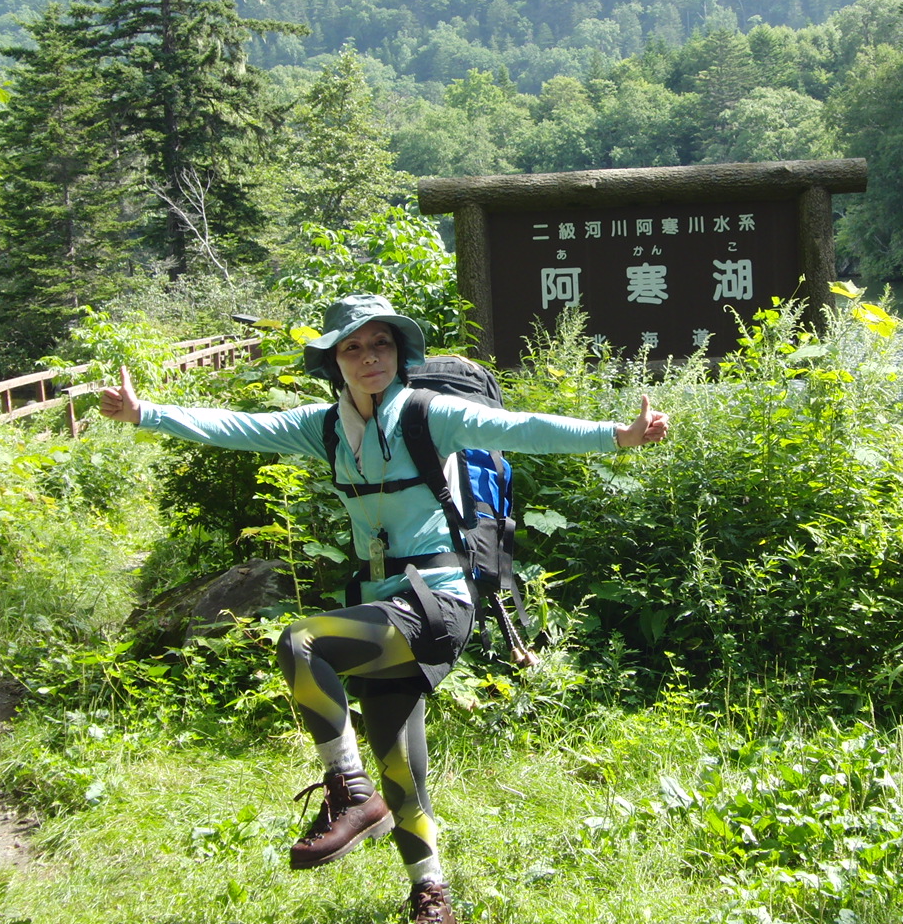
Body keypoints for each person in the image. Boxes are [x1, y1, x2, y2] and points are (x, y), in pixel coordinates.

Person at [99, 293, 667, 924]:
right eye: (353, 347)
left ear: (399, 352)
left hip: (437, 603)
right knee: (400, 767)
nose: (370, 357)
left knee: (301, 642)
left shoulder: (429, 414)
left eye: (381, 344)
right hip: (379, 607)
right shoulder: (324, 428)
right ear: (334, 361)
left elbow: (523, 427)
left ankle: (349, 793)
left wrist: (619, 436)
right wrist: (144, 413)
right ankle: (432, 895)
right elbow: (237, 426)